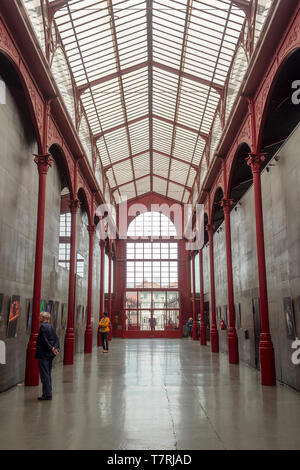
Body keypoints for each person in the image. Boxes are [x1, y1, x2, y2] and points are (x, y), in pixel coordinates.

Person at [35, 311, 60, 401]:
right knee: (48, 373)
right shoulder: (51, 326)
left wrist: (51, 348)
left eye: (40, 316)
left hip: (43, 354)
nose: (39, 318)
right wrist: (56, 348)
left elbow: (44, 340)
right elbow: (56, 338)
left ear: (44, 318)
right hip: (50, 354)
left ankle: (47, 394)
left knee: (44, 374)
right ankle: (48, 391)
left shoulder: (42, 327)